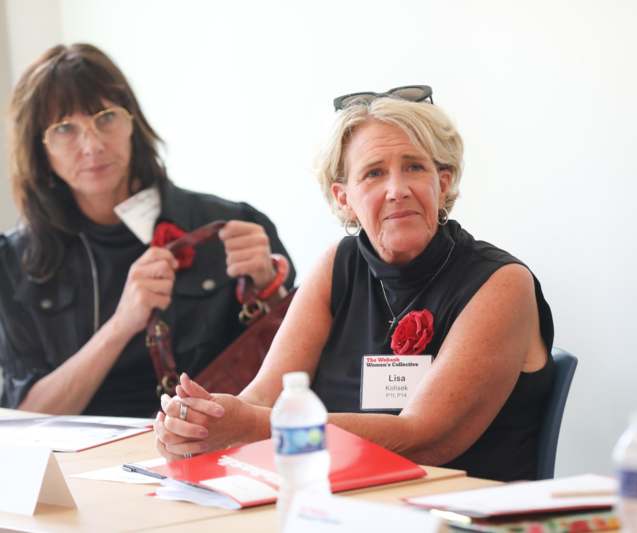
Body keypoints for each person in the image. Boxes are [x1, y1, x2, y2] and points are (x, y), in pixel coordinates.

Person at [154, 88, 554, 481]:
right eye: (374, 173)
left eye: (415, 167)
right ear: (343, 198)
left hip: (457, 515)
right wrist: (203, 422)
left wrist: (256, 428)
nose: (397, 190)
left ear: (443, 183)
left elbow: (424, 438)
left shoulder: (501, 284)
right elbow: (263, 397)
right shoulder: (338, 265)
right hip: (343, 506)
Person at [0, 43, 295, 417]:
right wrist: (122, 323)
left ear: (131, 123)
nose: (91, 145)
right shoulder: (14, 262)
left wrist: (269, 285)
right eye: (64, 129)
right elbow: (26, 419)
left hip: (216, 449)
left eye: (105, 118)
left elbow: (296, 368)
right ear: (39, 149)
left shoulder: (230, 224)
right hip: (80, 465)